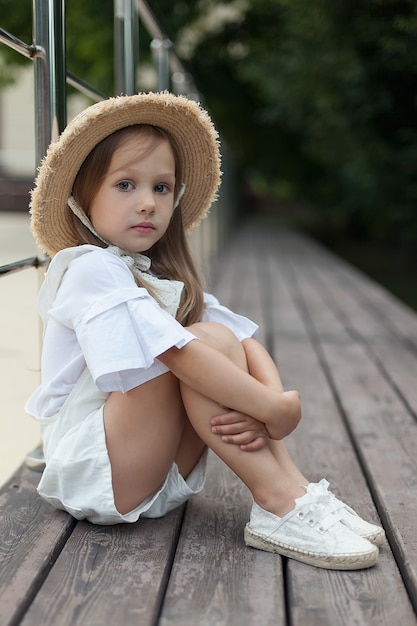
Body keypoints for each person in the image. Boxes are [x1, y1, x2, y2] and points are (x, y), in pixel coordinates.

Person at [26, 92, 384, 570]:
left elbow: (242, 343)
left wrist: (276, 403)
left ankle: (293, 490)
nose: (147, 203)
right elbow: (176, 355)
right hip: (100, 476)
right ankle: (276, 502)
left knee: (214, 339)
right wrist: (271, 408)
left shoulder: (157, 274)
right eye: (126, 185)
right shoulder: (90, 269)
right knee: (191, 346)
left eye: (161, 188)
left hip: (157, 474)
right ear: (83, 196)